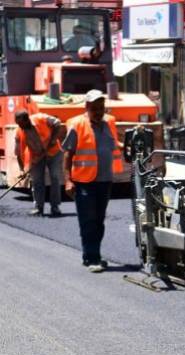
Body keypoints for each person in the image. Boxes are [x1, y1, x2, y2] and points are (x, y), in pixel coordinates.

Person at [62, 90, 123, 273]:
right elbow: (67, 154)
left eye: (101, 108)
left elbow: (114, 145)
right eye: (95, 108)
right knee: (88, 221)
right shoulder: (77, 125)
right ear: (87, 107)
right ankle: (92, 258)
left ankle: (91, 254)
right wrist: (68, 180)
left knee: (99, 221)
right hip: (84, 181)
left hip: (104, 181)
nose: (98, 111)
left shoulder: (108, 124)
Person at [14, 110, 65, 216]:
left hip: (53, 152)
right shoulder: (19, 132)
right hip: (37, 156)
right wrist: (22, 170)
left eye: (20, 123)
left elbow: (57, 123)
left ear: (27, 119)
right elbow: (18, 153)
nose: (19, 126)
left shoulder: (41, 118)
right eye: (17, 123)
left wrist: (52, 140)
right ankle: (38, 207)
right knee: (37, 180)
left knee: (55, 177)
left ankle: (55, 207)